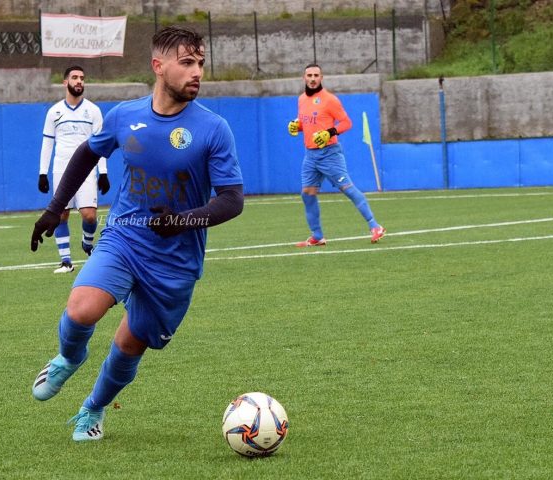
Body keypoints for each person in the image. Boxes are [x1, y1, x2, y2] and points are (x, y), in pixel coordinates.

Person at [29, 26, 244, 442]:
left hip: (176, 262)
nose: (197, 71)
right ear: (158, 66)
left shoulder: (214, 129)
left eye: (200, 63)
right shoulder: (125, 116)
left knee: (129, 345)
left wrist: (184, 220)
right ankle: (68, 357)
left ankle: (92, 409)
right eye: (186, 62)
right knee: (80, 310)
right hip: (125, 237)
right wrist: (55, 209)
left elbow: (232, 199)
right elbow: (86, 154)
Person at [288, 63, 385, 246]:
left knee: (347, 189)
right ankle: (317, 236)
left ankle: (375, 226)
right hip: (310, 156)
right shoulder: (301, 99)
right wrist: (297, 126)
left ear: (321, 78)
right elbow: (306, 123)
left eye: (316, 75)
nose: (313, 78)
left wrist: (329, 133)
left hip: (329, 154)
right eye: (309, 75)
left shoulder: (330, 100)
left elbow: (347, 122)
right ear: (304, 78)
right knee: (307, 193)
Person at [38, 65, 110, 274]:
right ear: (65, 82)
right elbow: (47, 144)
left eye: (82, 78)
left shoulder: (93, 111)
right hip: (61, 168)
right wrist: (43, 172)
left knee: (89, 215)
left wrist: (103, 172)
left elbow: (102, 144)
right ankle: (66, 261)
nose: (79, 81)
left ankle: (87, 243)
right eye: (75, 77)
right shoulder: (54, 112)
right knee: (61, 214)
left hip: (87, 169)